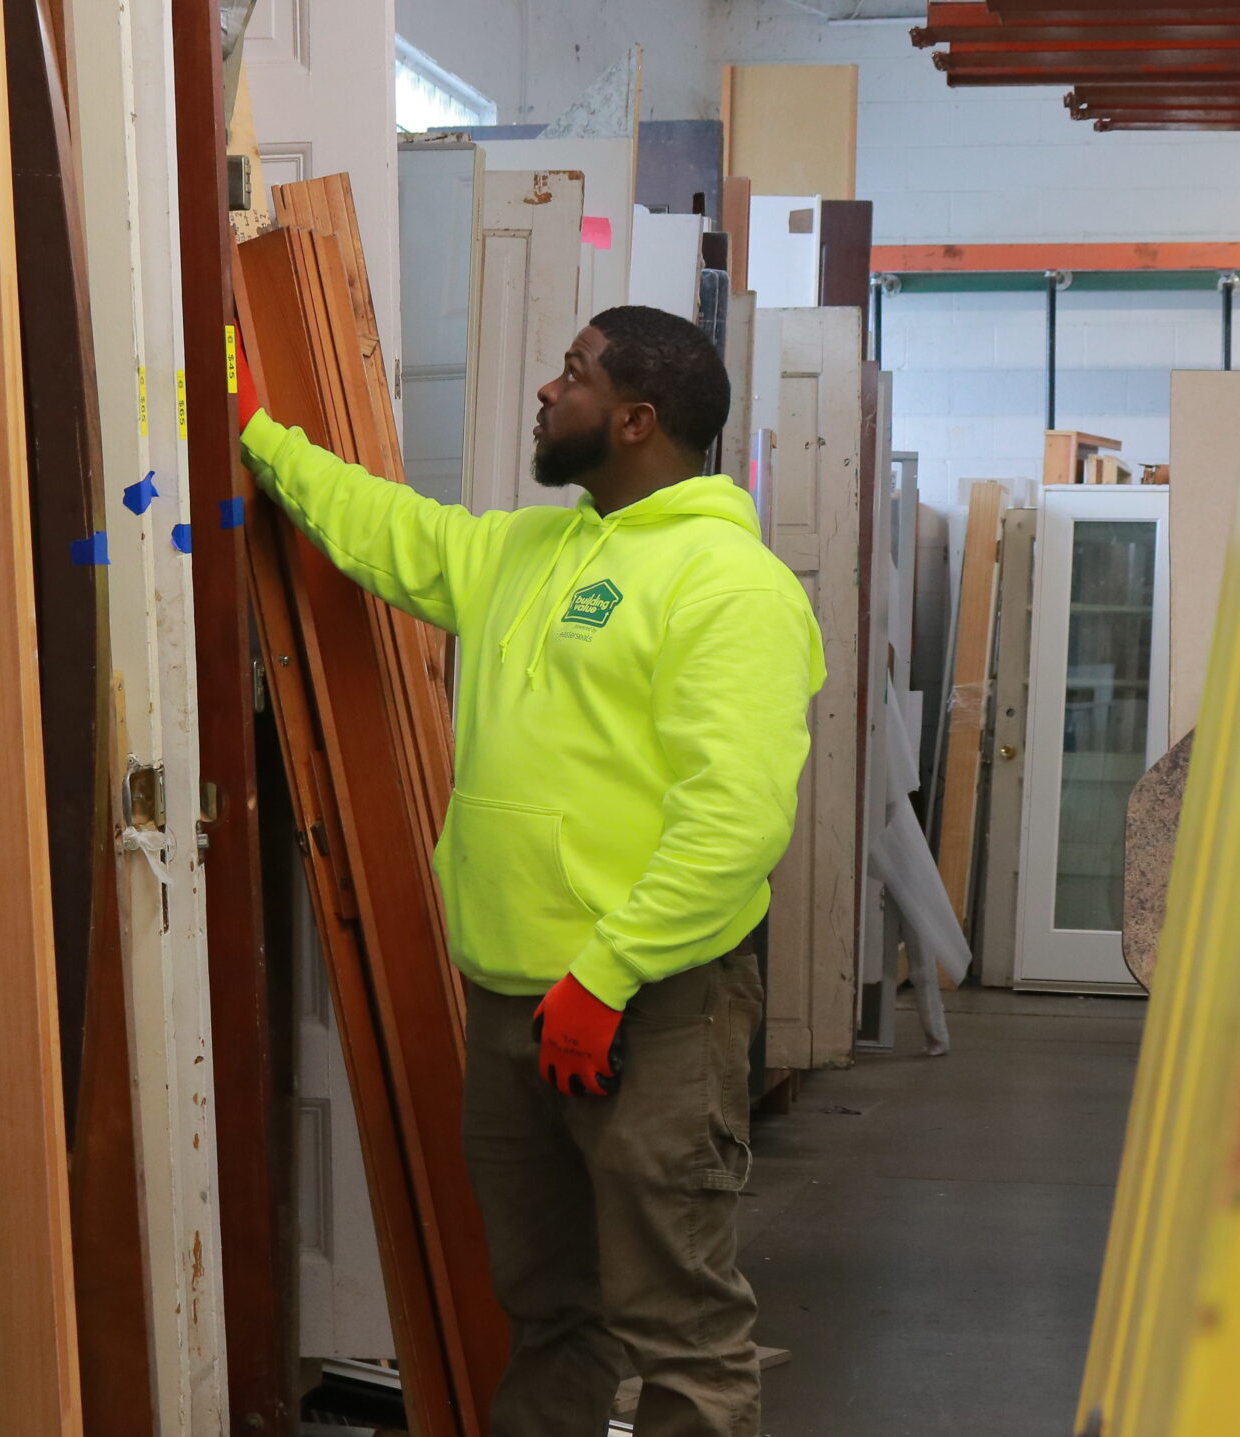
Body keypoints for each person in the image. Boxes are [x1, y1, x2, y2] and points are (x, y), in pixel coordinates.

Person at [236, 304, 821, 1437]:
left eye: (574, 374)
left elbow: (734, 823)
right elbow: (386, 528)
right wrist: (256, 431)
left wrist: (605, 978)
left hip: (650, 1008)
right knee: (550, 1311)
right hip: (518, 1003)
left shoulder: (728, 585)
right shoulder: (531, 552)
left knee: (679, 1329)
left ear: (636, 420)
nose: (550, 393)